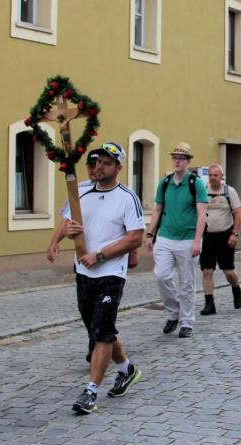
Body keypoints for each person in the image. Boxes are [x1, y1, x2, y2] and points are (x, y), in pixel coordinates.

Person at [64, 142, 145, 414]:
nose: (99, 166)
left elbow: (136, 236)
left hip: (110, 273)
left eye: (107, 163)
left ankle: (90, 392)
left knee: (101, 329)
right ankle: (126, 369)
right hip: (83, 272)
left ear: (118, 167)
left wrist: (100, 255)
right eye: (97, 161)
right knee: (101, 329)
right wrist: (69, 231)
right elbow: (68, 225)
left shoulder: (126, 197)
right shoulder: (83, 192)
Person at [146, 142, 208, 338]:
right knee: (161, 276)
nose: (177, 160)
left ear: (188, 161)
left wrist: (197, 241)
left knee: (186, 283)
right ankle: (173, 312)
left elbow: (202, 213)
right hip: (165, 237)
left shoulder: (195, 183)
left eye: (181, 158)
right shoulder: (164, 183)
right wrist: (150, 234)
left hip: (188, 239)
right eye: (175, 157)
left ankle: (187, 321)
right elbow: (157, 210)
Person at [47, 150, 98, 363]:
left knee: (102, 307)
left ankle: (97, 345)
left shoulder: (117, 191)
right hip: (82, 260)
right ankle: (94, 338)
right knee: (85, 306)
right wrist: (54, 242)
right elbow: (67, 220)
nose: (95, 169)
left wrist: (132, 252)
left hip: (107, 260)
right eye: (91, 165)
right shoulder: (79, 190)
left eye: (100, 164)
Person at [199, 164, 241, 315]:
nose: (212, 178)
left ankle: (236, 287)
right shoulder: (203, 191)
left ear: (221, 176)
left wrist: (235, 234)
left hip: (225, 235)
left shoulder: (229, 191)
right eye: (210, 175)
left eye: (215, 175)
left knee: (228, 271)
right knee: (207, 270)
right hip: (208, 236)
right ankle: (209, 303)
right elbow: (197, 212)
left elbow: (238, 214)